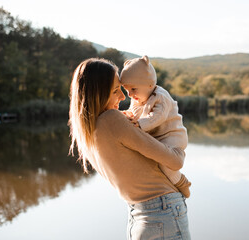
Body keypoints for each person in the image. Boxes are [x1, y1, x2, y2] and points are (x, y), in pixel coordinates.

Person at [68, 58, 191, 240]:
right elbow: (175, 160)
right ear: (99, 94)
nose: (123, 97)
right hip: (162, 212)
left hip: (138, 216)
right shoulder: (112, 119)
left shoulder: (87, 132)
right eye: (116, 90)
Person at [120, 55, 191, 198]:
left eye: (133, 89)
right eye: (126, 90)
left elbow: (157, 118)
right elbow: (133, 112)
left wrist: (140, 124)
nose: (130, 94)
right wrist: (124, 115)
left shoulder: (161, 97)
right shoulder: (138, 98)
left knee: (165, 164)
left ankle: (181, 182)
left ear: (150, 84)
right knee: (151, 159)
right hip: (157, 137)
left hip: (172, 136)